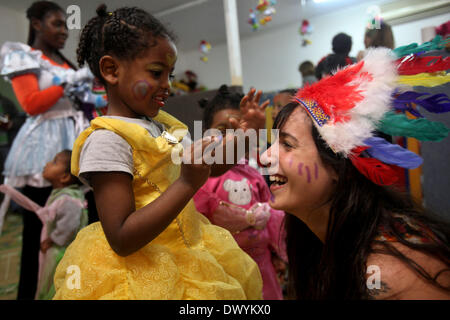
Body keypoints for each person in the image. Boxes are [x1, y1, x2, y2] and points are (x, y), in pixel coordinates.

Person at [52, 5, 265, 300]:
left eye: (170, 74)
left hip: (190, 253)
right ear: (111, 70)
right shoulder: (107, 141)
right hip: (141, 276)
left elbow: (210, 166)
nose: (167, 85)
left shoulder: (165, 124)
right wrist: (186, 184)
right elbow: (122, 238)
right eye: (156, 73)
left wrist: (247, 135)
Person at [260, 47, 450, 299]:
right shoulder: (317, 242)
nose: (264, 157)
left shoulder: (392, 272)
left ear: (339, 167)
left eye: (287, 144)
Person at [0, 1, 101, 300]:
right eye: (56, 23)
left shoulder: (66, 63)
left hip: (77, 146)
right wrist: (68, 83)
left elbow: (85, 103)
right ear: (36, 23)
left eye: (64, 25)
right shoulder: (21, 54)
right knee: (41, 229)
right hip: (44, 151)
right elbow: (31, 104)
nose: (64, 31)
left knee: (86, 221)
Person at [193, 85, 287, 300]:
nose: (231, 138)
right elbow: (196, 226)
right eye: (221, 130)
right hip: (224, 270)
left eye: (238, 130)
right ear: (206, 134)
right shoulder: (203, 178)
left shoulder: (254, 173)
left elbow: (272, 215)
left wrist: (276, 254)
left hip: (262, 265)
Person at [0, 150, 88, 299]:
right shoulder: (60, 193)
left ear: (65, 176)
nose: (47, 164)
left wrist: (52, 239)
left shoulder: (68, 199)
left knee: (56, 281)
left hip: (62, 251)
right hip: (57, 247)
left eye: (54, 162)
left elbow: (70, 225)